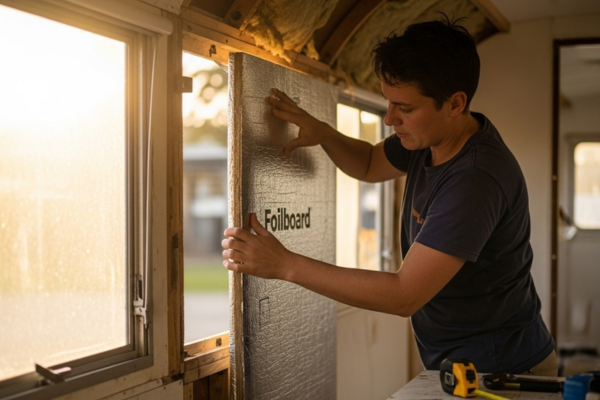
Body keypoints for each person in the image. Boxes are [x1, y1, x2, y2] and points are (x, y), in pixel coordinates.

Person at [221, 15, 556, 375]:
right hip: (463, 365)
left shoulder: (475, 178)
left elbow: (403, 294)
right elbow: (368, 163)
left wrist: (285, 265)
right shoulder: (428, 139)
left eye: (405, 108)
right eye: (388, 102)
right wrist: (326, 134)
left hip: (505, 369)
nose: (389, 119)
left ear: (455, 103)